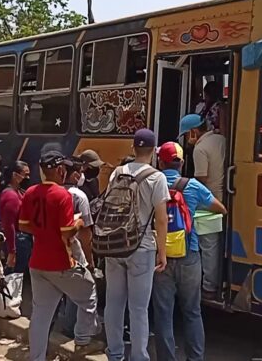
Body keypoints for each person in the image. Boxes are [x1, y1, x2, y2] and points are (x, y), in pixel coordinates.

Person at [19, 150, 98, 361]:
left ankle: (36, 357)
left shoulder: (30, 192)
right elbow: (67, 231)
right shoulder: (63, 195)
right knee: (88, 292)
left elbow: (24, 226)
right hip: (62, 261)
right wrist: (79, 222)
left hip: (37, 262)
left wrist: (44, 228)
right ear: (61, 170)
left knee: (41, 316)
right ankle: (82, 340)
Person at [153, 141, 227, 361]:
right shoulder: (192, 186)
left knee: (163, 314)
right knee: (192, 312)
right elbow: (220, 208)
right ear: (182, 163)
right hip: (189, 253)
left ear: (160, 161)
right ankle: (195, 358)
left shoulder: (152, 183)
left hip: (160, 257)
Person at [103, 129, 169, 361]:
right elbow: (161, 219)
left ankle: (115, 353)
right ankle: (139, 357)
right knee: (139, 308)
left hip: (114, 245)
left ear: (133, 148)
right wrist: (163, 252)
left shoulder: (116, 173)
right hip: (142, 248)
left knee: (114, 303)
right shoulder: (157, 177)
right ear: (154, 150)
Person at [179, 113, 226, 298]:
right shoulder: (221, 139)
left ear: (193, 132)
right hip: (224, 196)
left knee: (207, 244)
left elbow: (200, 182)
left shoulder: (200, 149)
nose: (186, 140)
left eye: (186, 135)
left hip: (209, 202)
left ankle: (208, 285)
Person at [59, 155, 95, 339]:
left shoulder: (52, 191)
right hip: (74, 249)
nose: (82, 176)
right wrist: (89, 260)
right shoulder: (79, 196)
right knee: (79, 288)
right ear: (74, 175)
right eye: (80, 172)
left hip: (52, 248)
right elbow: (86, 231)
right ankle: (73, 328)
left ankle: (57, 322)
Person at [0, 161, 31, 273]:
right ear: (15, 175)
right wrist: (12, 251)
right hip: (17, 241)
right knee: (15, 277)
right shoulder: (11, 196)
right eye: (25, 174)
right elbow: (9, 225)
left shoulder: (18, 192)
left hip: (21, 240)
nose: (28, 178)